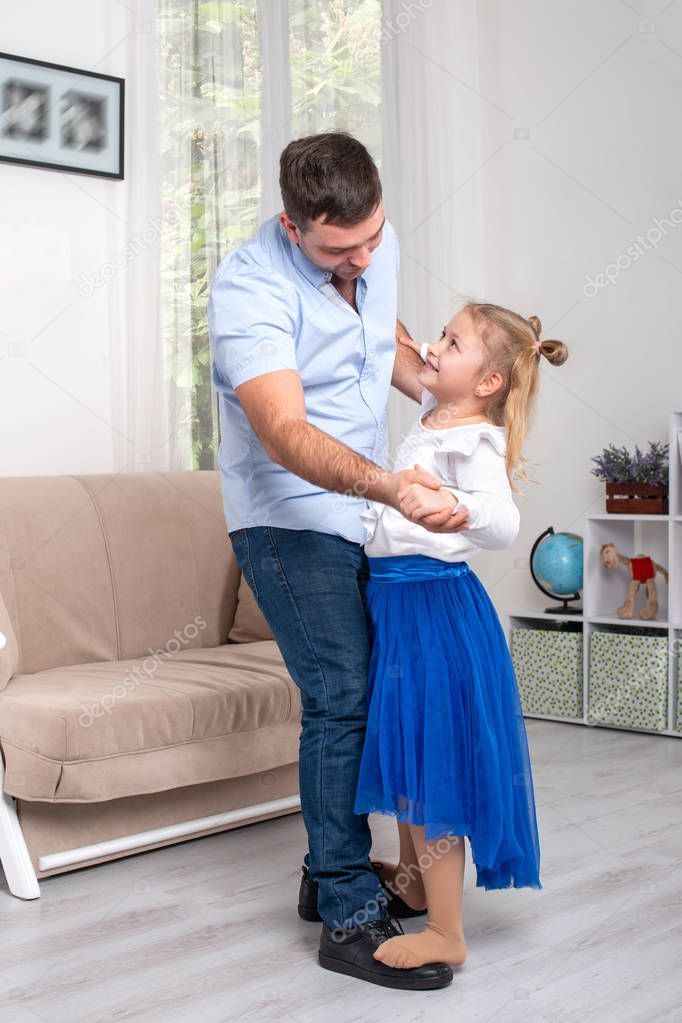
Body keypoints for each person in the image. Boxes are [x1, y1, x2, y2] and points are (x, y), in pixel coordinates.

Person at [208, 131, 470, 991]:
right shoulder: (249, 288)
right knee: (344, 695)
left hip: (364, 510)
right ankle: (350, 910)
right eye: (337, 250)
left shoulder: (371, 240)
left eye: (371, 238)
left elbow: (375, 333)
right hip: (286, 515)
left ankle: (326, 877)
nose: (361, 257)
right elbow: (283, 432)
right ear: (291, 227)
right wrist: (394, 488)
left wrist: (451, 390)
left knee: (381, 689)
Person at [353, 302, 569, 971]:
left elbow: (502, 520)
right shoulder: (436, 406)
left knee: (431, 765)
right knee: (409, 756)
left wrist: (456, 508)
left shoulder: (472, 439)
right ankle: (417, 882)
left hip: (434, 610)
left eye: (452, 341)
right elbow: (393, 345)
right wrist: (365, 289)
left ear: (487, 385)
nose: (434, 345)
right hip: (402, 606)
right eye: (440, 335)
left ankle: (447, 930)